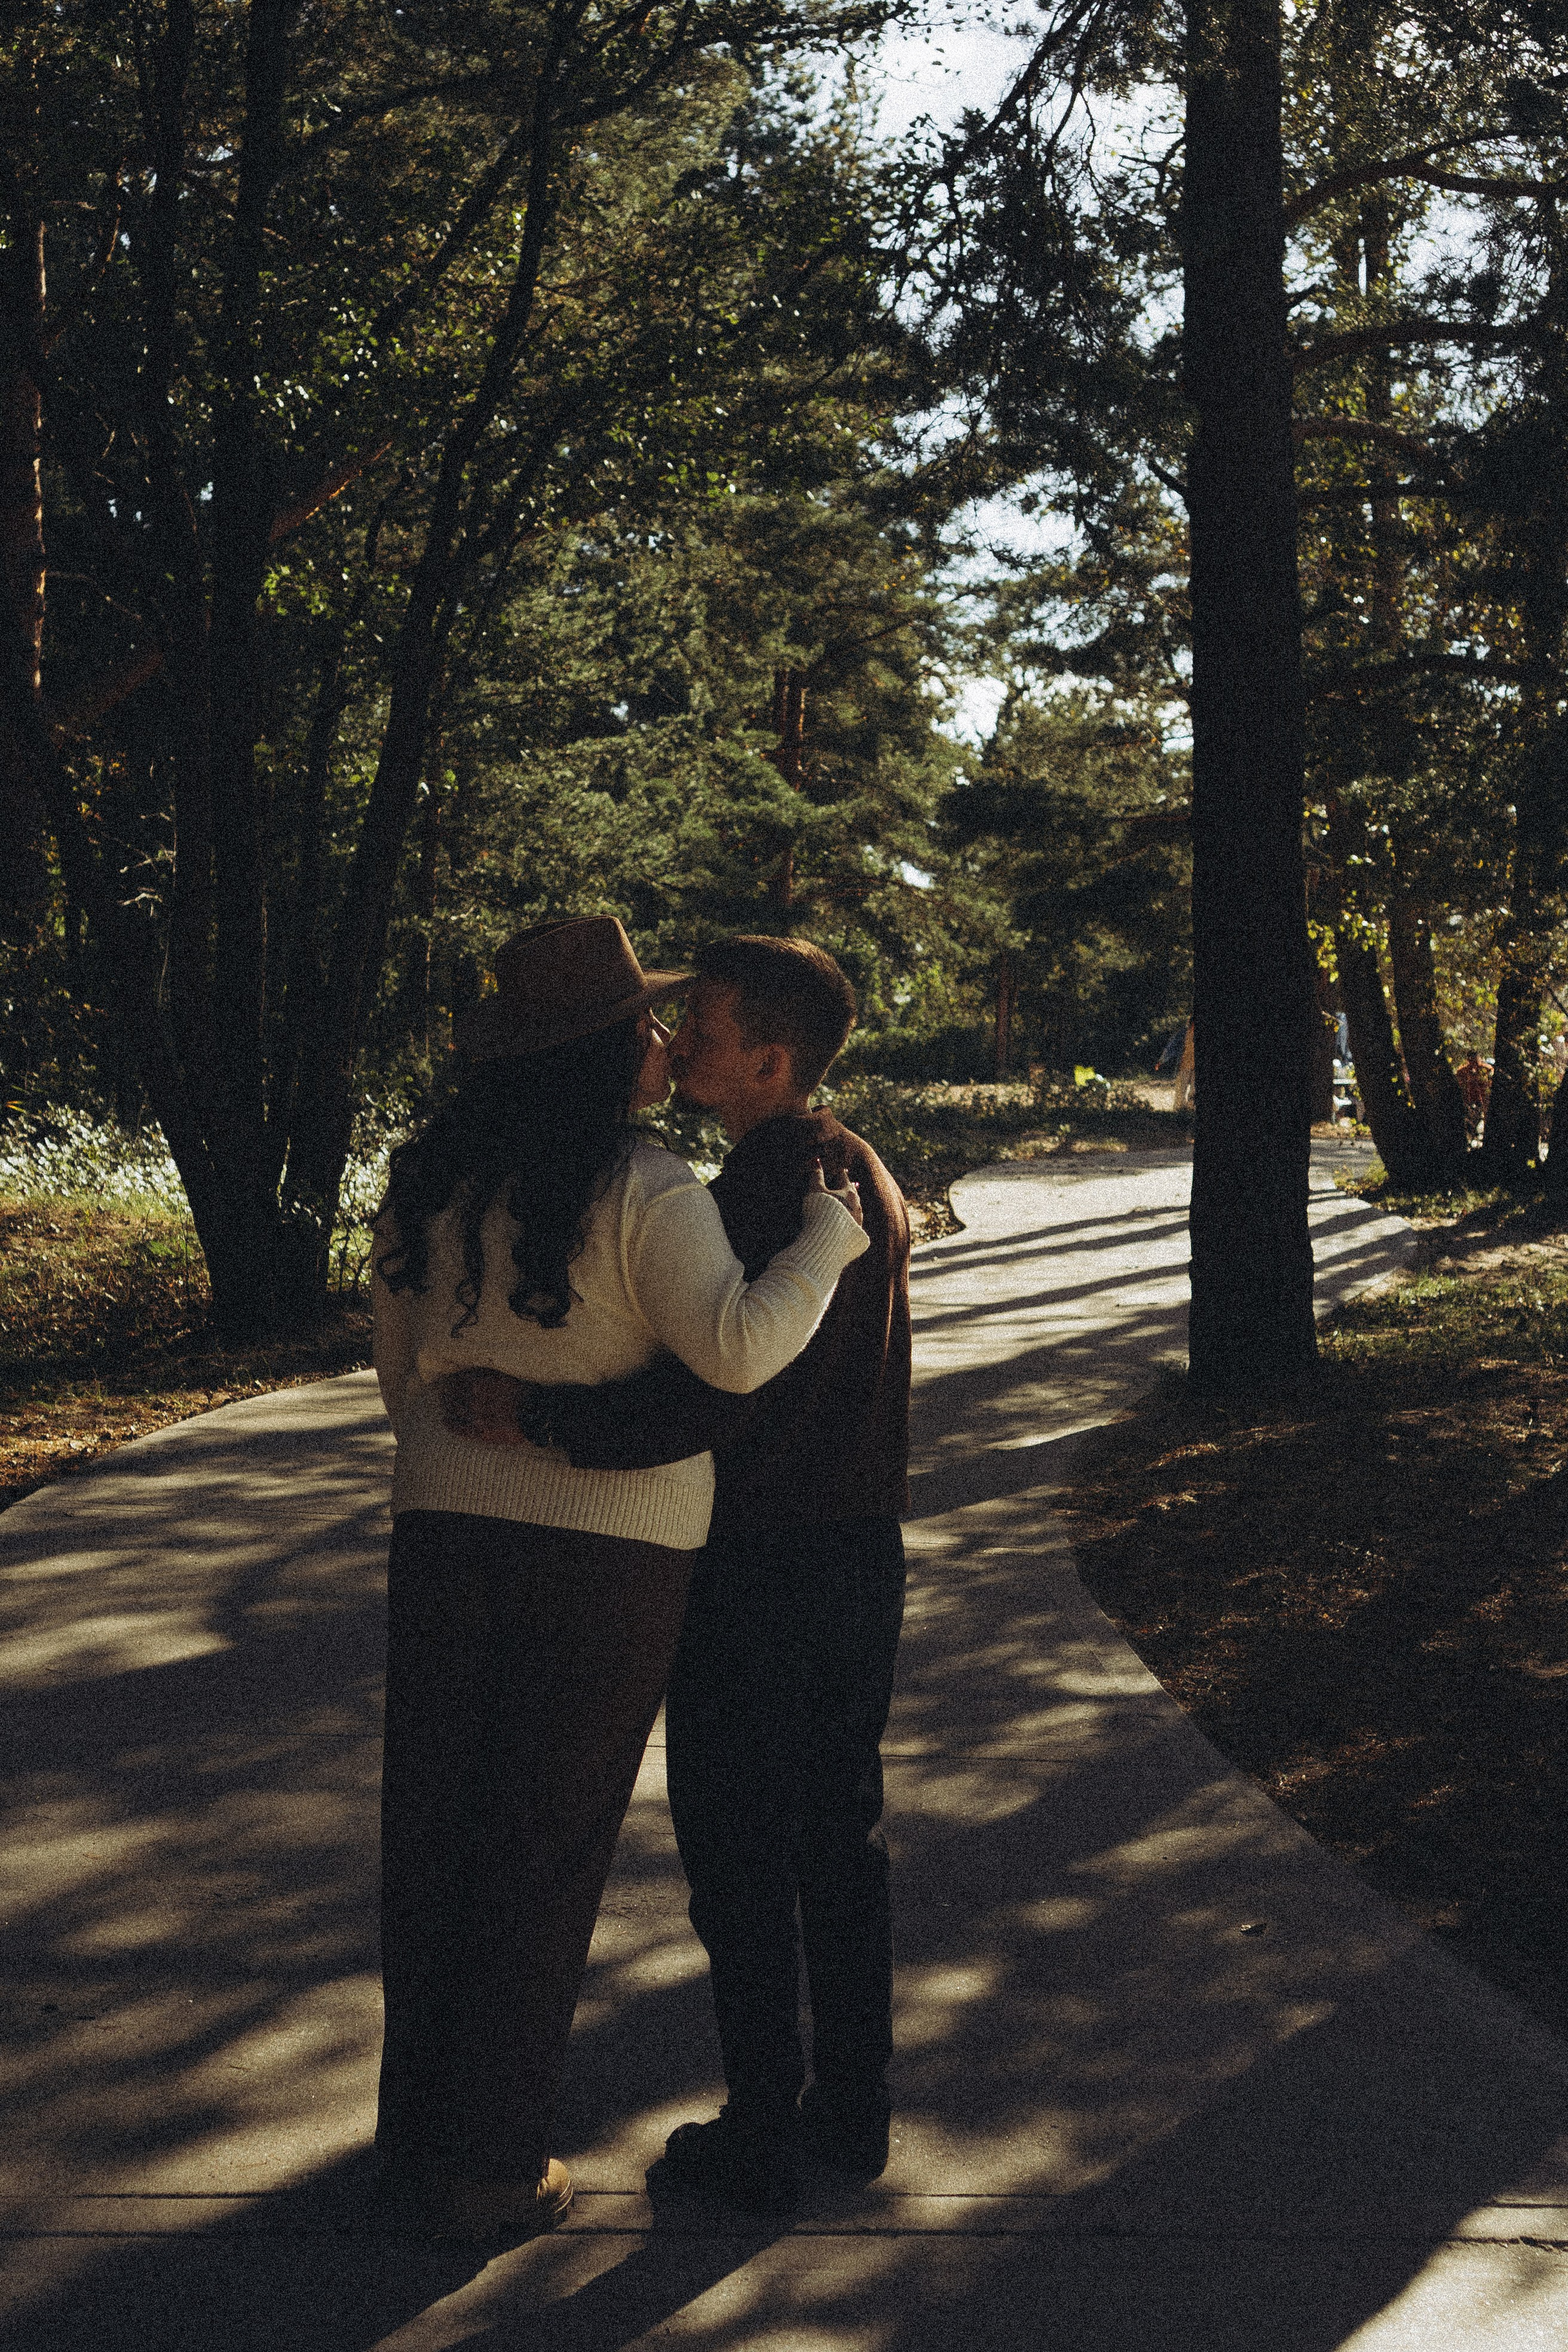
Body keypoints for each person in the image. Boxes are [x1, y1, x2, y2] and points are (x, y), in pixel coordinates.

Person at [370, 917, 869, 2240]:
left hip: (442, 1533)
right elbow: (735, 1353)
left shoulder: (425, 1179)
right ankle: (486, 2166)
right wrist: (827, 1244)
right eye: (646, 1024)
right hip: (614, 1556)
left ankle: (407, 2140)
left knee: (429, 1834)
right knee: (543, 1847)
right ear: (603, 1054)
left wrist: (489, 1423)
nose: (663, 1037)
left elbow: (392, 1378)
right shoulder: (651, 1189)